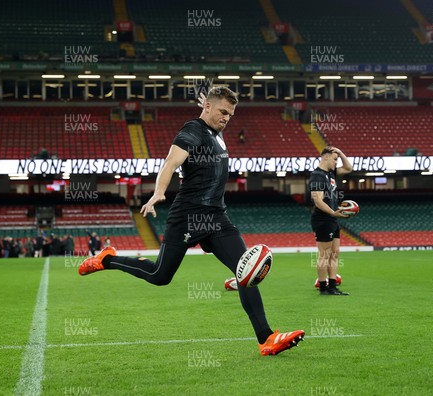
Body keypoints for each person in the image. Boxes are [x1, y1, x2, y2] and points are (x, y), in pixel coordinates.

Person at [79, 86, 305, 356]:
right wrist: (159, 192)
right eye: (222, 112)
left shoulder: (215, 130)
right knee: (159, 275)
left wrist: (211, 108)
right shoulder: (192, 130)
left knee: (244, 271)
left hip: (216, 217)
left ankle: (267, 338)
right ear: (208, 107)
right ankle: (107, 260)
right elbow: (170, 163)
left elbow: (212, 113)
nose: (226, 118)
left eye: (230, 114)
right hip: (188, 216)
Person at [308, 146, 353, 295]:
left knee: (335, 253)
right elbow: (318, 202)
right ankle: (323, 287)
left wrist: (340, 152)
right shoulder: (317, 176)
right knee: (324, 254)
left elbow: (349, 168)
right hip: (322, 219)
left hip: (332, 218)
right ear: (325, 157)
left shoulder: (330, 174)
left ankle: (332, 287)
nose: (336, 162)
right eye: (335, 159)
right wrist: (334, 212)